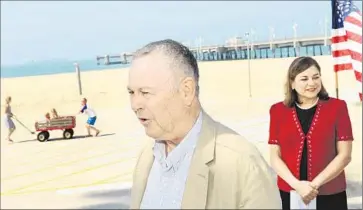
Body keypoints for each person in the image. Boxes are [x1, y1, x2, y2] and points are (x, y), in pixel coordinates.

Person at [128, 39, 281, 209]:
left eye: (145, 92)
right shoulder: (147, 157)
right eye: (131, 92)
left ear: (186, 91)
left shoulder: (242, 162)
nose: (135, 104)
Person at [268, 56, 353, 210]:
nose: (312, 83)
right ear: (292, 83)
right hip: (291, 192)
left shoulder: (338, 107)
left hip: (331, 193)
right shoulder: (278, 111)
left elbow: (345, 155)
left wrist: (313, 186)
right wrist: (297, 186)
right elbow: (275, 157)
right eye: (304, 79)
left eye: (316, 77)